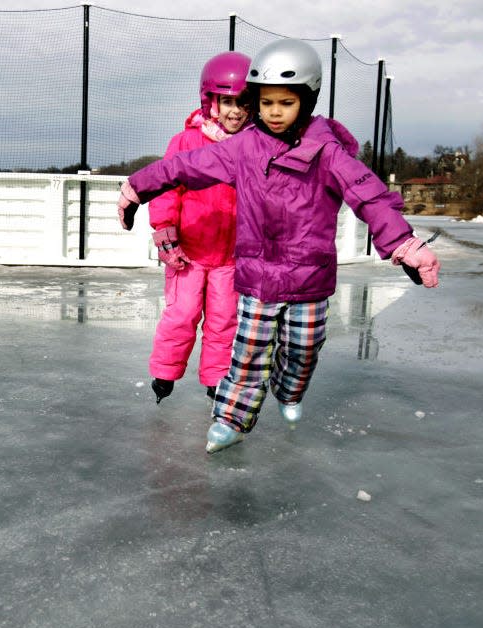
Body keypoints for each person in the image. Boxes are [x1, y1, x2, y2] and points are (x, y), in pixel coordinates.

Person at [117, 38, 440, 453]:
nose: (273, 112)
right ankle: (232, 420)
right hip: (257, 279)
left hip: (310, 279)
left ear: (306, 102)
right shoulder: (244, 147)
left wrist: (404, 243)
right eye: (265, 102)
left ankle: (288, 392)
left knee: (303, 352)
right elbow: (185, 167)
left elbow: (369, 194)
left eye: (284, 103)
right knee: (247, 353)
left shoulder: (326, 151)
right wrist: (136, 188)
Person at [146, 51, 252, 404]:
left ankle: (216, 381)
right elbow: (165, 190)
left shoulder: (256, 147)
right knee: (182, 314)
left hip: (232, 257)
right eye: (227, 102)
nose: (234, 111)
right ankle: (165, 373)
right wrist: (165, 234)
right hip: (189, 252)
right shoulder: (186, 141)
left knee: (225, 321)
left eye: (243, 102)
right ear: (211, 101)